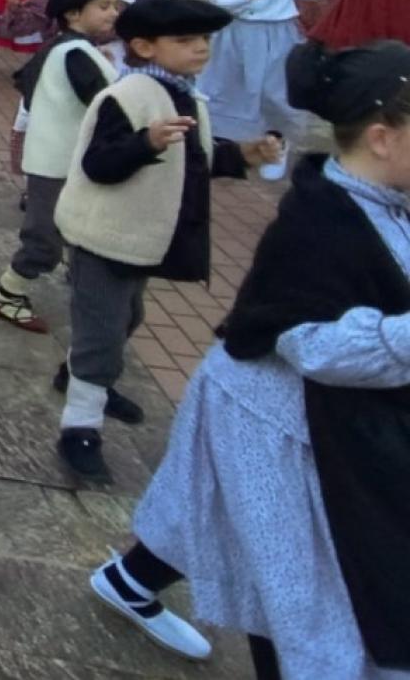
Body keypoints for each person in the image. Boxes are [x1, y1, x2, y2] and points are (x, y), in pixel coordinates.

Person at [93, 41, 410, 678]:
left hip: (307, 417)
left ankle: (128, 580)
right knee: (301, 590)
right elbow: (310, 344)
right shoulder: (317, 226)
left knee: (207, 511)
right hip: (275, 423)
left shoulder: (379, 203)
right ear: (382, 138)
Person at [50, 0, 281, 481]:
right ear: (143, 46)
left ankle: (82, 376)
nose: (200, 49)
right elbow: (99, 163)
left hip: (140, 234)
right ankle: (80, 428)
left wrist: (244, 155)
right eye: (185, 40)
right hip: (105, 234)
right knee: (103, 330)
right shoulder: (128, 96)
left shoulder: (185, 94)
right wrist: (145, 143)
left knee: (128, 315)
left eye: (203, 40)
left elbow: (195, 154)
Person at [0, 0, 123, 333]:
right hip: (57, 160)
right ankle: (9, 293)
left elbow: (26, 83)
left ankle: (70, 275)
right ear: (74, 14)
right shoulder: (75, 52)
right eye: (104, 6)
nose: (113, 13)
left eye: (115, 5)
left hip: (58, 156)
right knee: (45, 234)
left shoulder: (65, 47)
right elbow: (109, 105)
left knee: (65, 225)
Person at [199, 0, 344, 180]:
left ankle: (277, 141)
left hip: (277, 33)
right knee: (229, 85)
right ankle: (231, 141)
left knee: (275, 90)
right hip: (237, 32)